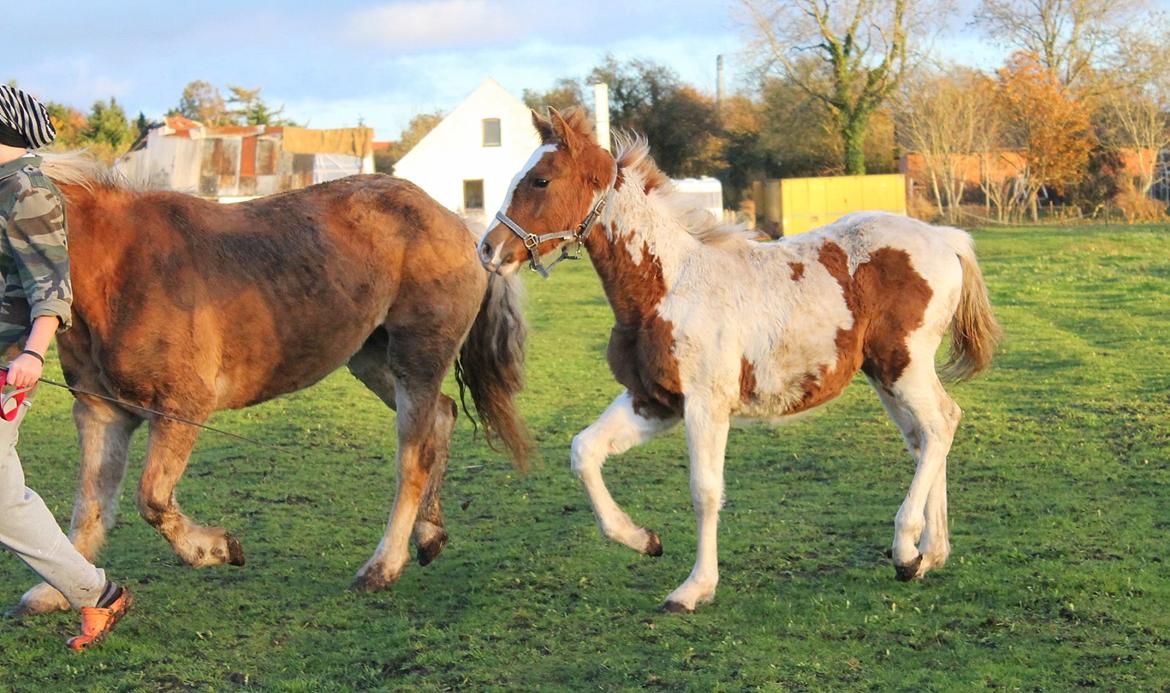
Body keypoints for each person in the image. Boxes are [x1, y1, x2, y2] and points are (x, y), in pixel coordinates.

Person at [0, 84, 132, 651]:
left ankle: (96, 594)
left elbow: (52, 284)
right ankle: (95, 593)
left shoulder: (27, 191)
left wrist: (32, 353)